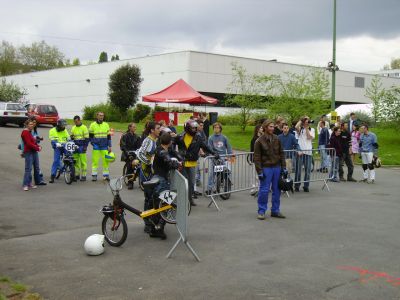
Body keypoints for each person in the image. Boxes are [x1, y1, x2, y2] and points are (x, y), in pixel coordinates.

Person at [175, 119, 217, 206]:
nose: (195, 130)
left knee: (191, 183)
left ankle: (190, 199)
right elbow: (170, 144)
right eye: (193, 128)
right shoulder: (180, 136)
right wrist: (175, 155)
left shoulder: (198, 137)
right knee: (184, 182)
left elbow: (205, 146)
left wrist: (213, 152)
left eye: (195, 128)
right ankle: (182, 200)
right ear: (187, 128)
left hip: (192, 163)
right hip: (182, 163)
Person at [150, 132, 183, 239]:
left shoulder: (164, 149)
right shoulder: (161, 152)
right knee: (163, 205)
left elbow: (174, 153)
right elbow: (169, 161)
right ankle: (159, 229)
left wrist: (181, 157)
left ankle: (154, 229)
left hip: (158, 178)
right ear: (169, 142)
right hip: (161, 180)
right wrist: (177, 164)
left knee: (158, 205)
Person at [254, 120, 286, 220]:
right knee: (264, 190)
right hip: (266, 168)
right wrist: (259, 171)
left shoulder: (277, 139)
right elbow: (257, 158)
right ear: (265, 127)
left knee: (277, 190)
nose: (272, 128)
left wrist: (284, 167)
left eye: (273, 127)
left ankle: (275, 210)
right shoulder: (259, 141)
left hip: (277, 167)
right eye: (270, 126)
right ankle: (261, 211)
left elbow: (282, 153)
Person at [136, 121, 161, 233]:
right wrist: (150, 163)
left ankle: (152, 220)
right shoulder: (148, 140)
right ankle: (147, 223)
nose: (159, 130)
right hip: (146, 174)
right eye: (157, 128)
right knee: (148, 199)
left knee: (152, 198)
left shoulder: (155, 140)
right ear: (152, 130)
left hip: (151, 174)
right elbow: (140, 153)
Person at [207, 122, 233, 194]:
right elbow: (209, 148)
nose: (216, 129)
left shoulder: (224, 137)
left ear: (220, 129)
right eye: (215, 127)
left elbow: (229, 147)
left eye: (217, 127)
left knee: (227, 172)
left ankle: (227, 186)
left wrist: (230, 156)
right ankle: (209, 188)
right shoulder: (211, 138)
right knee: (211, 174)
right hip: (214, 157)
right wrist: (211, 156)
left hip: (223, 157)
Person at [89, 112, 112, 181]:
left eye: (102, 116)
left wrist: (110, 146)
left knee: (106, 161)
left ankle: (106, 175)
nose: (101, 117)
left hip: (104, 146)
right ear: (97, 116)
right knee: (95, 161)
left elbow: (109, 136)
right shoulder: (92, 125)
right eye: (100, 115)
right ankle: (94, 175)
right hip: (96, 146)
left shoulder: (106, 125)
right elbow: (90, 136)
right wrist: (93, 143)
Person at [294, 116, 315, 192]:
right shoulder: (300, 129)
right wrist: (302, 119)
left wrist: (306, 128)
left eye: (308, 120)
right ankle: (297, 185)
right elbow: (296, 126)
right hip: (300, 152)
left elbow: (309, 137)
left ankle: (306, 186)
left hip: (308, 152)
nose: (308, 122)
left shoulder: (312, 129)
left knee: (308, 170)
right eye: (306, 121)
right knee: (298, 170)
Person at [21, 119, 42, 191]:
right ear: (26, 125)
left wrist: (38, 146)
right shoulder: (25, 132)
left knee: (36, 167)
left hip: (34, 152)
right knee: (28, 169)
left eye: (32, 124)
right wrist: (37, 148)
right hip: (28, 152)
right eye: (30, 124)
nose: (32, 125)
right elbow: (28, 144)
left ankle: (29, 183)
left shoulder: (30, 132)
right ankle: (25, 184)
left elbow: (33, 141)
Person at [120, 122, 142, 189]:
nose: (135, 128)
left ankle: (142, 180)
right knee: (130, 165)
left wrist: (139, 153)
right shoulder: (125, 135)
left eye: (135, 127)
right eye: (133, 127)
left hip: (135, 153)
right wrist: (128, 155)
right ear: (129, 127)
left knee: (141, 164)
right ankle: (130, 182)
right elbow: (123, 147)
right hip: (127, 154)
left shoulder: (137, 136)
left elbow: (139, 146)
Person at [48, 119, 70, 183]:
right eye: (62, 125)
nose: (64, 127)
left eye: (64, 125)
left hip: (64, 146)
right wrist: (56, 143)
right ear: (59, 125)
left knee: (70, 157)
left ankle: (71, 172)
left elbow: (68, 138)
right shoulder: (52, 130)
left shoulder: (65, 130)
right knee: (56, 160)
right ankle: (52, 176)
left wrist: (71, 141)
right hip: (57, 146)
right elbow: (52, 139)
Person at [71, 115, 90, 181]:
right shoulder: (73, 128)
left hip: (82, 146)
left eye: (76, 121)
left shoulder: (84, 127)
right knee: (75, 161)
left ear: (79, 120)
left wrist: (85, 147)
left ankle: (84, 175)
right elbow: (72, 137)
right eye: (74, 122)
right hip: (75, 146)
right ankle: (77, 175)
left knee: (83, 162)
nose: (75, 123)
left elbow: (87, 138)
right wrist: (71, 138)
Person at [250, 124, 264, 195]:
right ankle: (253, 188)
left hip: (263, 159)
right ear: (257, 129)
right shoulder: (254, 139)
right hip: (255, 159)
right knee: (254, 174)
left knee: (261, 174)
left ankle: (260, 188)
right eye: (261, 128)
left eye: (262, 128)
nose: (262, 129)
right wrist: (252, 159)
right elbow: (252, 150)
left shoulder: (263, 138)